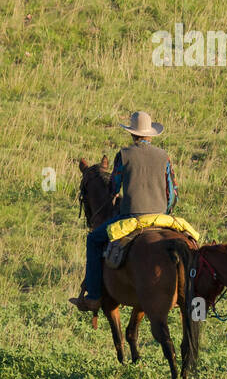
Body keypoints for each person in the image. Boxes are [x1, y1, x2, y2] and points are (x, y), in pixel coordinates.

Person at [71, 111, 178, 312]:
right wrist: (165, 212)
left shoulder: (124, 155)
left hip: (132, 216)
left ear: (132, 134)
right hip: (162, 217)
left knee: (93, 240)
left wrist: (116, 196)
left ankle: (93, 297)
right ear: (150, 135)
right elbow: (173, 193)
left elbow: (113, 186)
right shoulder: (164, 157)